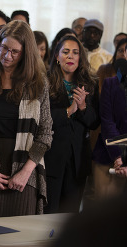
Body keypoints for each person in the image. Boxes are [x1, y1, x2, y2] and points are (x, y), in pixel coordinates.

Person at [0, 20, 53, 219]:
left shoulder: (38, 83)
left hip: (25, 170)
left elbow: (45, 134)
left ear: (26, 54)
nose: (7, 55)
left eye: (15, 52)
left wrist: (25, 173)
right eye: (3, 48)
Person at [44, 35, 99, 213]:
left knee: (70, 215)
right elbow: (40, 118)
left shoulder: (90, 84)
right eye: (65, 52)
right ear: (56, 57)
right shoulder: (45, 82)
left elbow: (94, 122)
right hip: (51, 157)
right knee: (48, 212)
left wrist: (82, 107)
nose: (70, 56)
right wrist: (68, 111)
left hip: (77, 160)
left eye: (75, 53)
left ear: (80, 58)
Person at [92, 59, 127, 197]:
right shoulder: (111, 83)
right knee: (106, 214)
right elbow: (108, 123)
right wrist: (119, 157)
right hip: (110, 157)